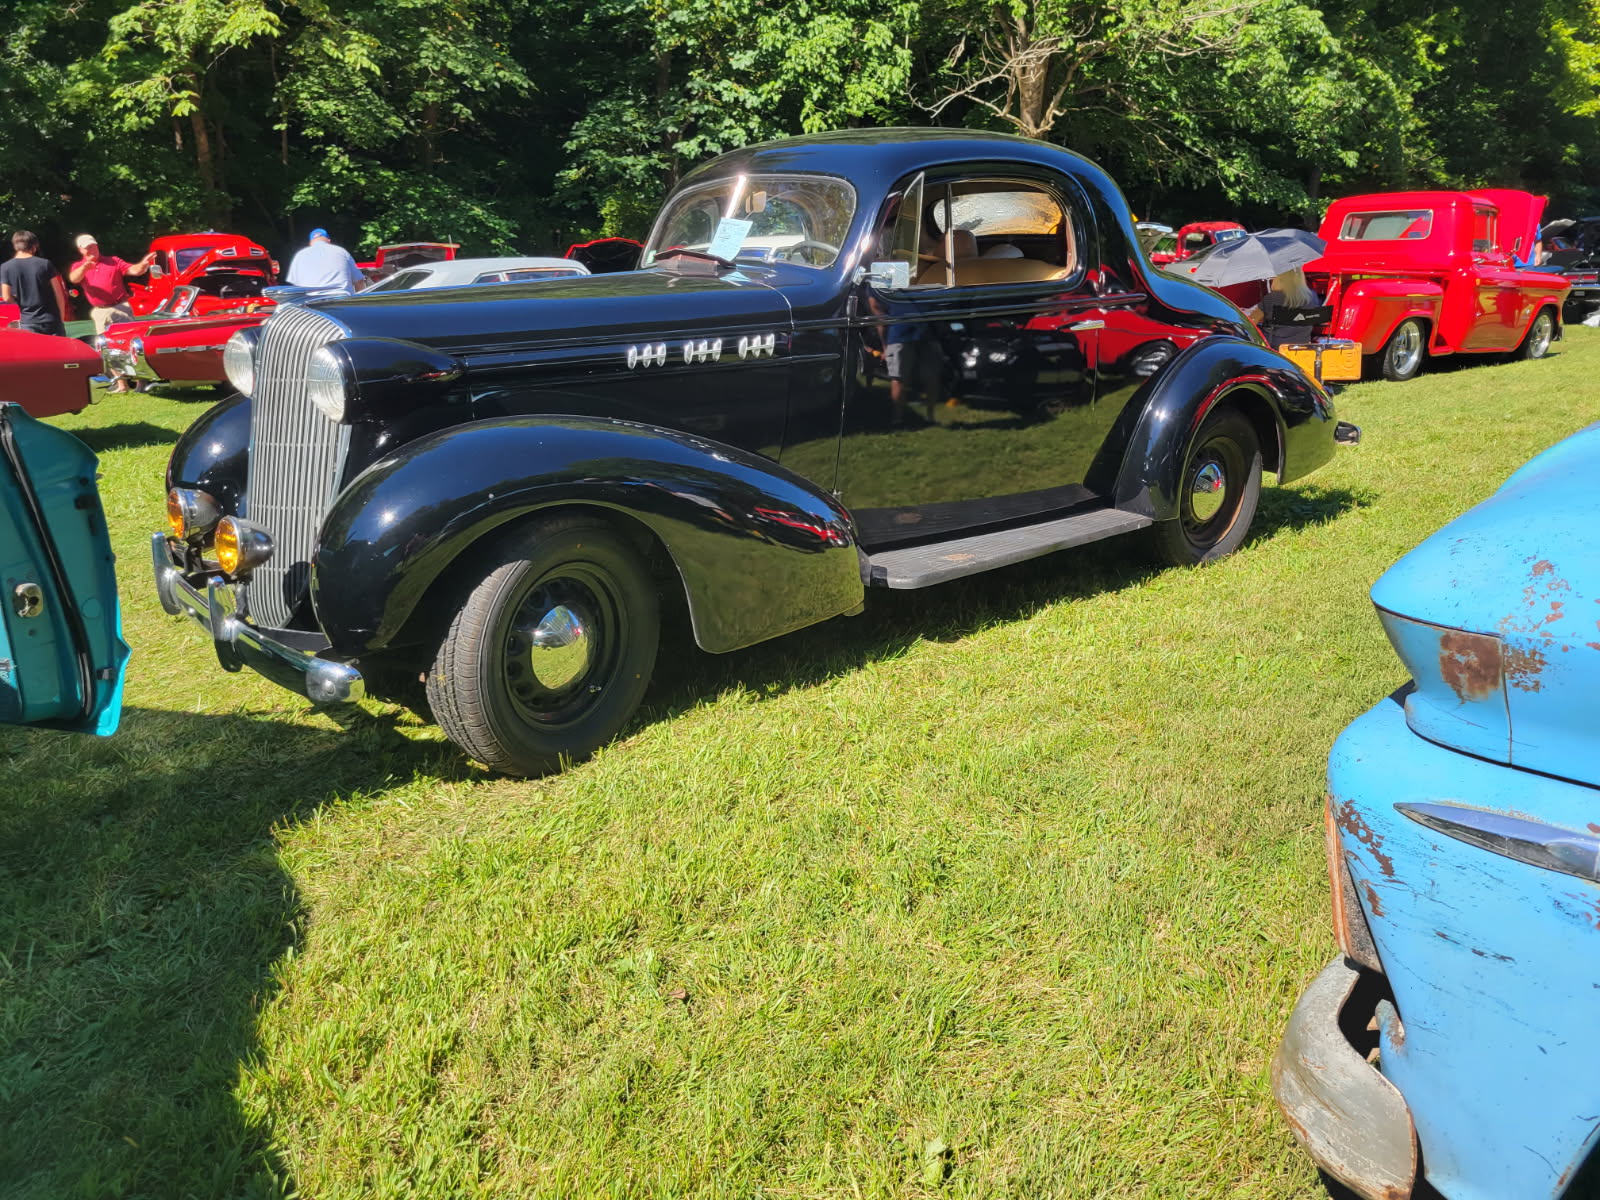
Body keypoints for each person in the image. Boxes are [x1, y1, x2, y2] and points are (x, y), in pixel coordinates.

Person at [68, 234, 155, 337]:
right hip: (100, 311)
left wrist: (143, 264)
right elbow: (73, 278)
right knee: (106, 343)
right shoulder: (78, 266)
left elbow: (133, 270)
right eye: (88, 247)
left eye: (93, 246)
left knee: (129, 337)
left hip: (121, 307)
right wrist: (85, 268)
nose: (92, 249)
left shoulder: (113, 261)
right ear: (81, 250)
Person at [1, 231, 71, 337]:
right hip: (51, 319)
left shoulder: (6, 267)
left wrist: (21, 301)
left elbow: (6, 297)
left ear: (15, 246)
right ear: (34, 246)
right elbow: (58, 293)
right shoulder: (45, 264)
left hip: (28, 321)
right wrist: (60, 318)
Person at [1246, 266, 1323, 348]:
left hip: (1276, 351)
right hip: (1300, 350)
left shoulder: (1272, 298)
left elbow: (1251, 322)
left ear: (1280, 279)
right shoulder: (1310, 298)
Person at [286, 228, 364, 294]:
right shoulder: (341, 252)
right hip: (341, 300)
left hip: (311, 305)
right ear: (329, 240)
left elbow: (295, 286)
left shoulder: (300, 255)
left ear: (310, 243)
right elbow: (359, 282)